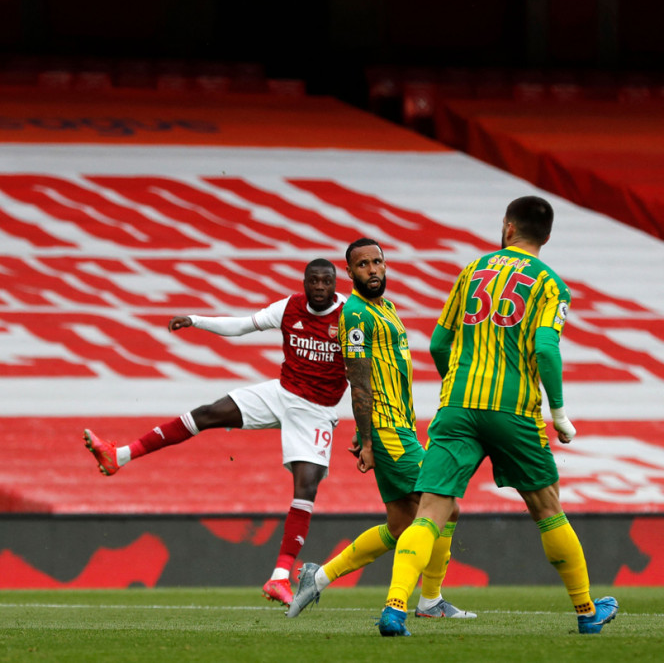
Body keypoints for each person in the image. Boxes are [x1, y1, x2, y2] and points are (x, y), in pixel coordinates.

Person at [376, 197, 618, 636]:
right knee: (546, 507)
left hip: (457, 405)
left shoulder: (472, 271)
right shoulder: (550, 284)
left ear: (508, 228)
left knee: (429, 511)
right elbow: (545, 348)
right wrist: (559, 413)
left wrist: (460, 385)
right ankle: (587, 612)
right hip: (514, 410)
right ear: (546, 236)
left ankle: (395, 607)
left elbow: (437, 344)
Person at [84, 259, 347, 606]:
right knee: (207, 413)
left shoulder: (350, 316)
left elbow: (363, 373)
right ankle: (118, 456)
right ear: (304, 282)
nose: (319, 287)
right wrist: (196, 320)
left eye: (325, 281)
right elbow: (241, 326)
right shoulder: (290, 306)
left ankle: (279, 577)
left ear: (334, 284)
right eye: (313, 281)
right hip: (281, 393)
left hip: (316, 410)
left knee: (306, 487)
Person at [287, 238, 473, 620]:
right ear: (350, 273)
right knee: (446, 507)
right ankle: (429, 601)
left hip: (400, 424)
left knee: (401, 523)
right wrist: (369, 439)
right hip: (388, 431)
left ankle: (317, 577)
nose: (372, 270)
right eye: (363, 265)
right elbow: (358, 380)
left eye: (377, 262)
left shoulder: (385, 307)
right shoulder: (355, 314)